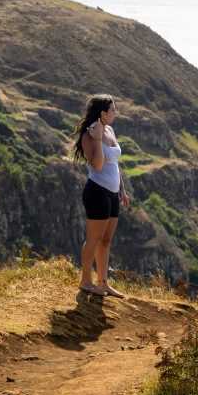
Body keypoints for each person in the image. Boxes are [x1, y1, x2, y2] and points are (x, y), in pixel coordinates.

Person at [71, 94, 130, 298]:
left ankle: (103, 283)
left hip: (113, 193)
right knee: (94, 239)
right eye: (113, 110)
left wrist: (121, 189)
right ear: (103, 113)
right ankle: (85, 281)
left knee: (106, 240)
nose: (116, 113)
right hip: (96, 191)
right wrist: (97, 140)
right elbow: (97, 165)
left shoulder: (110, 130)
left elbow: (114, 164)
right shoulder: (89, 135)